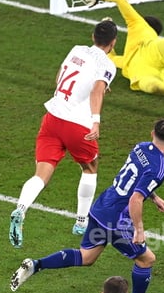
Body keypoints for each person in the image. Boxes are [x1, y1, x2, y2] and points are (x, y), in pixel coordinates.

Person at [10, 118, 164, 293]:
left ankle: (36, 265)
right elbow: (135, 198)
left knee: (86, 256)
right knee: (146, 259)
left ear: (152, 133)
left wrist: (154, 197)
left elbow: (135, 179)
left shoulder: (141, 147)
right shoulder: (159, 168)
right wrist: (139, 230)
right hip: (117, 221)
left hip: (102, 205)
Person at [9, 19, 118, 248]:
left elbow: (60, 77)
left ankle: (21, 208)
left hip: (52, 118)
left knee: (42, 173)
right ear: (113, 42)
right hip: (78, 125)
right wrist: (96, 121)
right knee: (90, 167)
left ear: (92, 36)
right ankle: (80, 221)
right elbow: (97, 91)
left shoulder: (76, 50)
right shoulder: (108, 65)